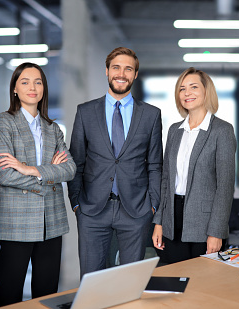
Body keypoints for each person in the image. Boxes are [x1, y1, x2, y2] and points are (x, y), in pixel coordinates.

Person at [0, 62, 76, 307]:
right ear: (15, 88)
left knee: (48, 295)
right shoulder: (4, 122)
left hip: (51, 221)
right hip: (15, 221)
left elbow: (69, 169)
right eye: (25, 81)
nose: (32, 87)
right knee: (8, 293)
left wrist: (30, 169)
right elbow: (5, 175)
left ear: (44, 88)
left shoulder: (53, 128)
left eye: (38, 81)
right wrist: (49, 175)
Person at [68, 47, 162, 276]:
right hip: (92, 210)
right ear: (107, 71)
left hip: (136, 211)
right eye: (116, 67)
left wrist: (152, 206)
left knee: (130, 283)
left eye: (128, 68)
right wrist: (76, 204)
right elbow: (76, 161)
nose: (122, 73)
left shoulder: (151, 114)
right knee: (91, 281)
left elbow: (155, 165)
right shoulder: (85, 112)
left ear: (135, 74)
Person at [151, 67, 236, 264]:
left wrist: (216, 232)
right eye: (182, 89)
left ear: (206, 91)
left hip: (205, 226)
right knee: (175, 284)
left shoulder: (222, 130)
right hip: (172, 222)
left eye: (193, 87)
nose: (187, 93)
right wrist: (159, 223)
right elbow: (166, 181)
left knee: (202, 287)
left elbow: (224, 187)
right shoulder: (174, 131)